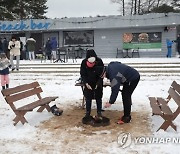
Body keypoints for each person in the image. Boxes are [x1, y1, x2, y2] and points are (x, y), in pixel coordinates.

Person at [80, 49, 104, 124]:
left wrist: (98, 83)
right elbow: (83, 74)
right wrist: (86, 83)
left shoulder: (99, 61)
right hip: (88, 81)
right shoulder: (84, 62)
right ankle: (88, 112)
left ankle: (99, 111)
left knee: (98, 97)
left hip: (97, 81)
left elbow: (102, 74)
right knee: (88, 97)